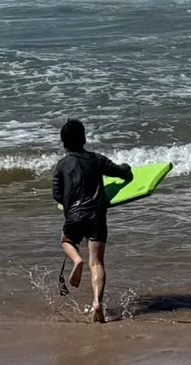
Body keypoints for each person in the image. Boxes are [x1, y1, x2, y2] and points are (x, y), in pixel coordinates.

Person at [52, 118, 132, 322]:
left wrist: (69, 202)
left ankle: (76, 259)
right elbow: (121, 172)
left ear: (64, 143)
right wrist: (127, 167)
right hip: (96, 215)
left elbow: (57, 195)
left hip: (74, 216)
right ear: (84, 139)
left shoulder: (61, 165)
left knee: (67, 241)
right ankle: (97, 302)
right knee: (96, 263)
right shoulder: (97, 159)